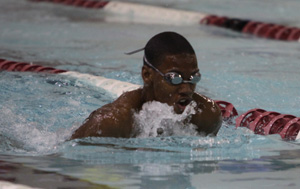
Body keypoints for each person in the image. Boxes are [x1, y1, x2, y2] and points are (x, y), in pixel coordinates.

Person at [71, 31, 222, 139]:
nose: (186, 89)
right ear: (147, 75)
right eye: (174, 78)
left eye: (193, 78)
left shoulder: (206, 116)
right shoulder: (112, 123)